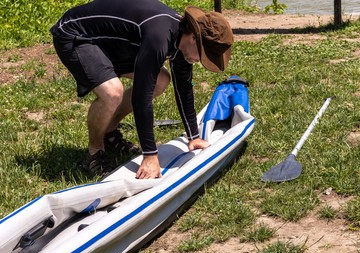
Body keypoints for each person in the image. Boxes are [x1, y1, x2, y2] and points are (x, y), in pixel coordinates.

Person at [50, 0, 234, 179]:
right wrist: (150, 155)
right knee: (113, 92)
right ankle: (94, 153)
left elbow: (183, 88)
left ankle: (109, 132)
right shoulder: (159, 35)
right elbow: (141, 97)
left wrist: (194, 136)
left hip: (110, 43)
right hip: (76, 35)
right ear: (194, 37)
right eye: (203, 55)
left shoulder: (180, 39)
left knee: (161, 80)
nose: (201, 61)